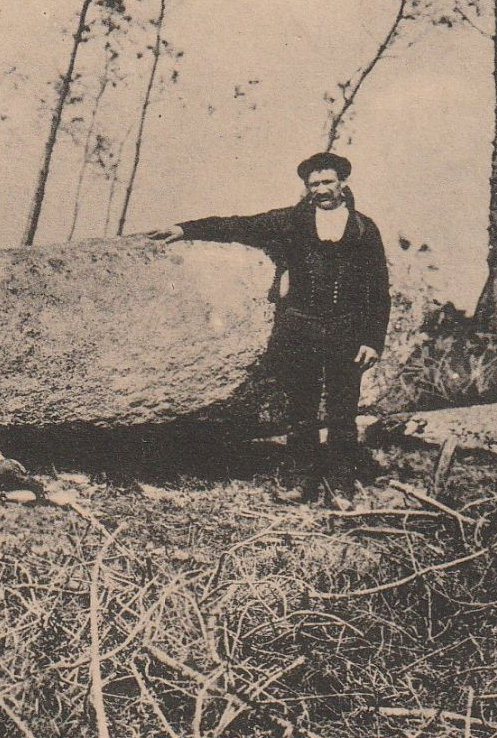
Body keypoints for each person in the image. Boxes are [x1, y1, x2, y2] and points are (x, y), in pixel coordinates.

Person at [146, 152, 391, 508]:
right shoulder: (291, 220)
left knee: (342, 412)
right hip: (300, 329)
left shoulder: (364, 228)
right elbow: (237, 225)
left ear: (343, 183)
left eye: (327, 182)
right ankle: (299, 481)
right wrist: (185, 228)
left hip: (346, 333)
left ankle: (340, 486)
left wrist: (373, 340)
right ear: (307, 189)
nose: (321, 190)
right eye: (314, 184)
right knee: (301, 411)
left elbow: (378, 287)